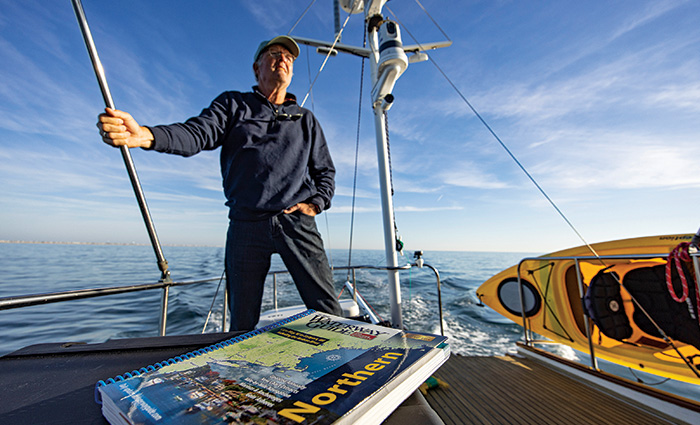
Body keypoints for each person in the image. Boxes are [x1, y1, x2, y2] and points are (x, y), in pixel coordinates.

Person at [97, 36, 342, 331]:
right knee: (241, 319)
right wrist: (147, 136)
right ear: (256, 68)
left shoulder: (307, 120)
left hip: (297, 223)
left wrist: (315, 205)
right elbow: (196, 134)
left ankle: (346, 365)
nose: (283, 59)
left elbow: (325, 171)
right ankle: (239, 373)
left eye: (289, 57)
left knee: (328, 310)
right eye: (275, 53)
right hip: (245, 225)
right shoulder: (233, 105)